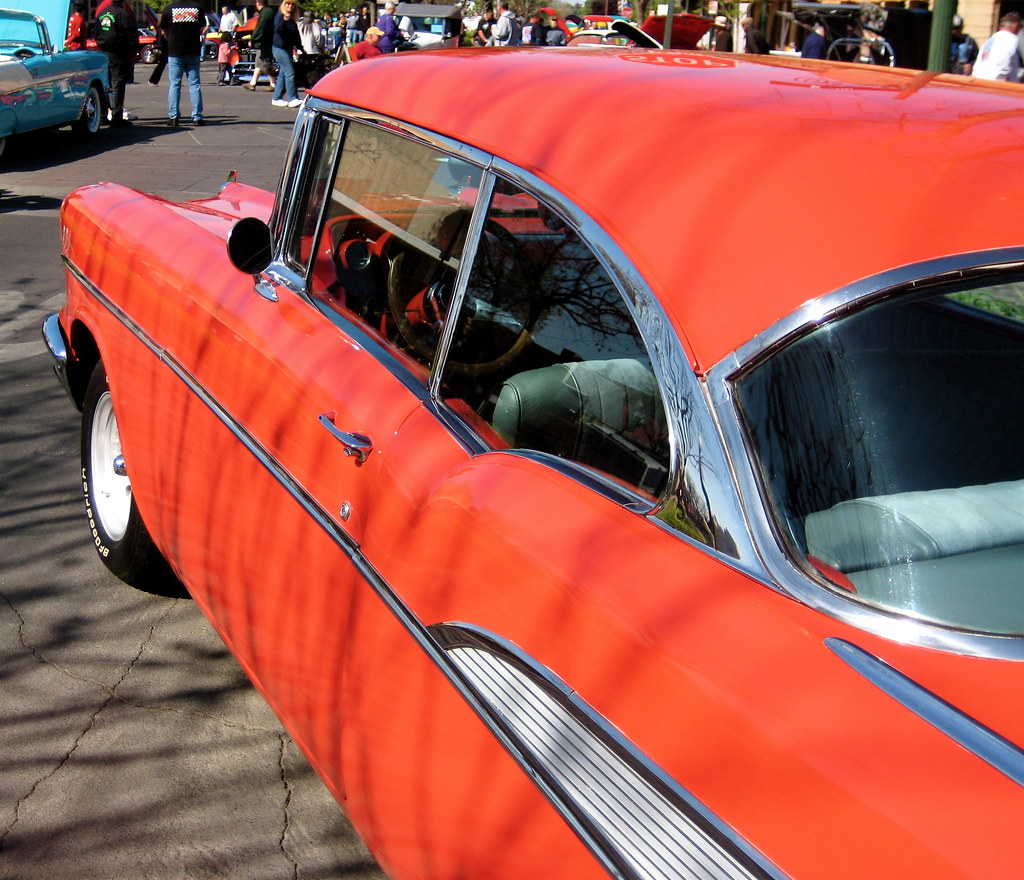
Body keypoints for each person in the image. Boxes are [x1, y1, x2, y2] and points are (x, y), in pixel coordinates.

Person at [160, 0, 207, 126]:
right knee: (194, 84)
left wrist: (170, 40)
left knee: (175, 84)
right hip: (193, 51)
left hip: (175, 51)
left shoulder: (169, 8)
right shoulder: (197, 8)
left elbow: (163, 30)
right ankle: (197, 117)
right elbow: (201, 29)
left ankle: (174, 117)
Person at [96, 0, 138, 127]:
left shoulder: (102, 13)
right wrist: (131, 51)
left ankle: (102, 114)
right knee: (117, 84)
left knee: (104, 84)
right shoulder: (123, 14)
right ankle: (116, 115)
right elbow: (131, 35)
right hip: (118, 53)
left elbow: (96, 32)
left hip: (103, 52)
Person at [973, 12, 1022, 81]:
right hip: (995, 83)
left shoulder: (993, 38)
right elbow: (1004, 59)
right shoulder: (1010, 38)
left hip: (979, 79)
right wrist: (1002, 76)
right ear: (1015, 25)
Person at [272, 0, 303, 108]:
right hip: (279, 48)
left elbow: (295, 34)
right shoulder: (280, 15)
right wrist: (284, 20)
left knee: (283, 73)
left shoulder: (292, 18)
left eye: (293, 4)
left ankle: (277, 98)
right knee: (290, 72)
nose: (290, 6)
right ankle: (292, 98)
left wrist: (300, 47)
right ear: (284, 5)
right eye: (288, 4)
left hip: (287, 48)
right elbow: (277, 29)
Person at [247, 0, 277, 91]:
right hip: (266, 42)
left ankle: (273, 84)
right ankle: (253, 83)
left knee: (265, 63)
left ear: (258, 3)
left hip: (265, 42)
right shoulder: (268, 11)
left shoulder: (266, 12)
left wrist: (253, 39)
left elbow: (261, 27)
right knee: (259, 63)